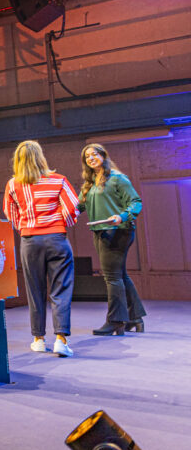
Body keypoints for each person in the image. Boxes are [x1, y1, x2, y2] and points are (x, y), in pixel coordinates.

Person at [4, 140, 79, 357]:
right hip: (56, 239)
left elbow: (10, 213)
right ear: (41, 157)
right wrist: (60, 225)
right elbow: (72, 208)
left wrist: (26, 229)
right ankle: (61, 340)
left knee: (35, 290)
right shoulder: (59, 180)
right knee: (61, 290)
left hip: (30, 241)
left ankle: (38, 339)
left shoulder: (12, 184)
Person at [78, 143, 147, 335]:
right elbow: (79, 206)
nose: (91, 158)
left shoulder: (117, 178)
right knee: (120, 275)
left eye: (94, 154)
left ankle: (116, 321)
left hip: (117, 231)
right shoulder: (90, 183)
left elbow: (135, 202)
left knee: (112, 277)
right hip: (100, 232)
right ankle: (135, 318)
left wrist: (122, 216)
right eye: (87, 157)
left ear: (103, 155)